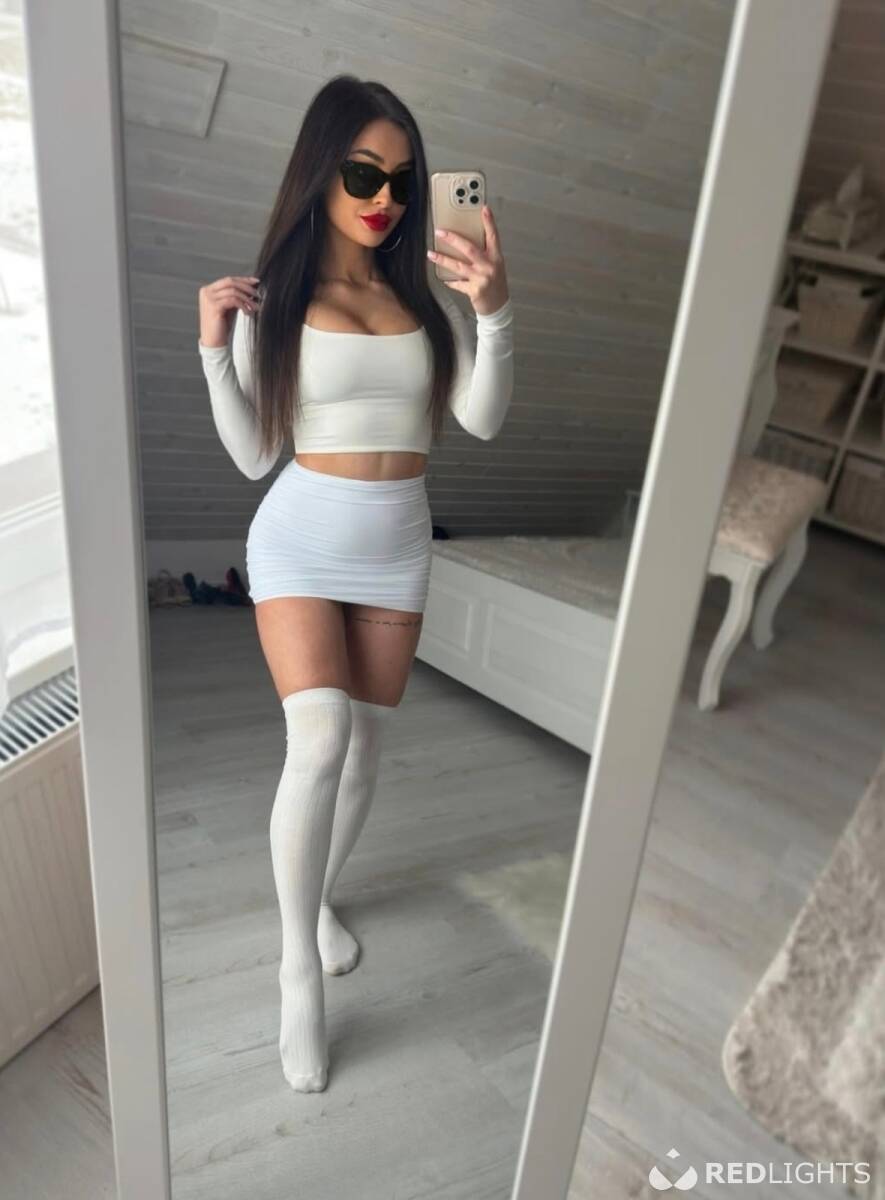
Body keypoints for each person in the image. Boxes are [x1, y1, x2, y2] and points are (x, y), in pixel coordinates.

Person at [196, 74, 514, 1094]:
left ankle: (318, 897)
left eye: (402, 180)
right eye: (363, 172)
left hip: (395, 546)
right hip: (299, 538)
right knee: (322, 737)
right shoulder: (279, 300)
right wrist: (212, 349)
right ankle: (298, 971)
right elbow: (254, 455)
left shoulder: (425, 301)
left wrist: (494, 312)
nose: (384, 197)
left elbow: (482, 422)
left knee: (368, 751)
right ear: (321, 170)